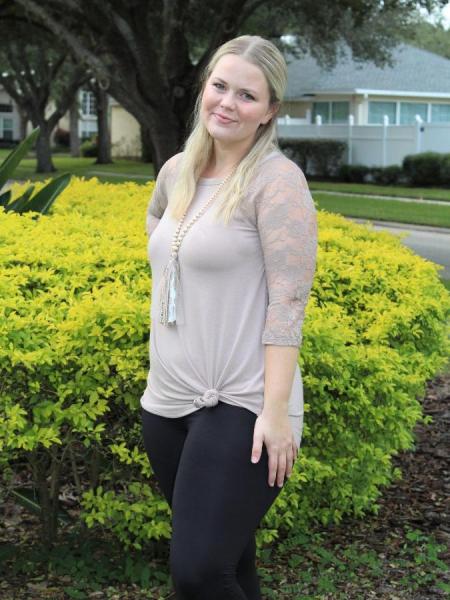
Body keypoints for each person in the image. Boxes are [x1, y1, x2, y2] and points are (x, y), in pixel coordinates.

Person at [140, 34, 318, 600]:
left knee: (197, 573)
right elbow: (161, 243)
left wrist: (275, 412)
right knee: (229, 566)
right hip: (167, 402)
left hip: (242, 405)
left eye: (247, 95)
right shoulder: (176, 172)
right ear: (205, 88)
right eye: (220, 86)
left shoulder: (277, 182)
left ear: (269, 112)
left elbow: (289, 302)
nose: (227, 102)